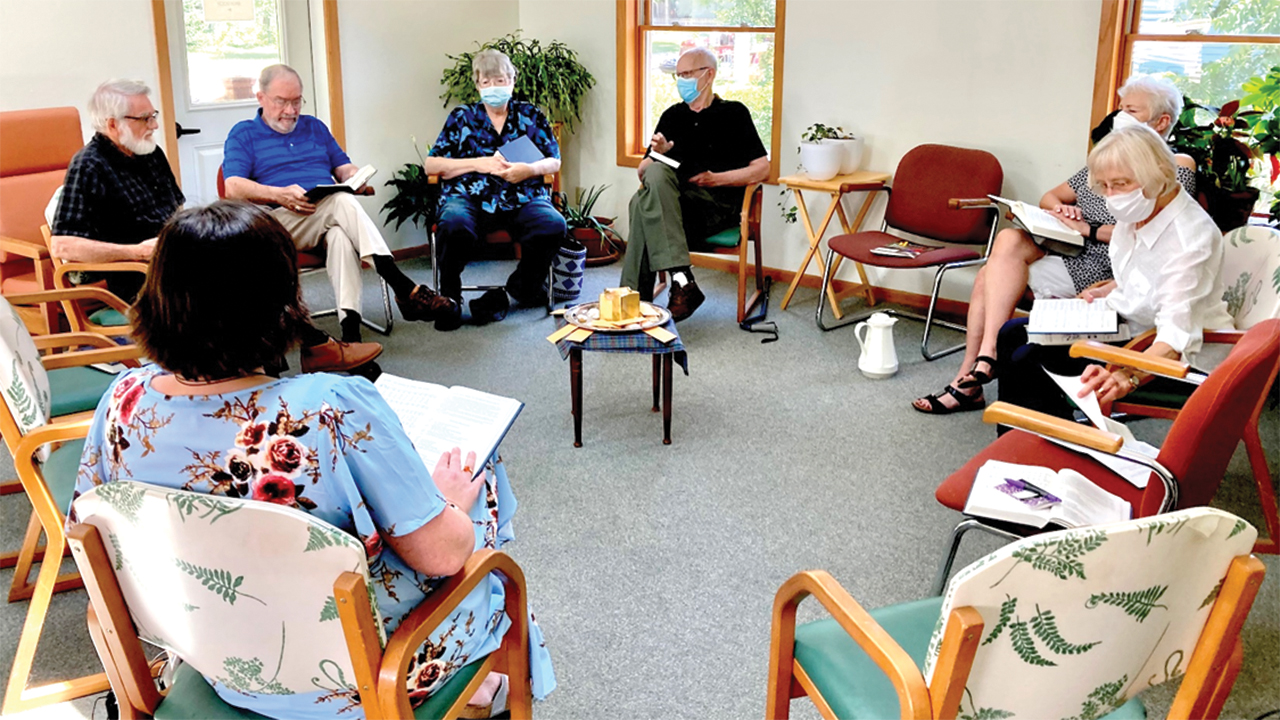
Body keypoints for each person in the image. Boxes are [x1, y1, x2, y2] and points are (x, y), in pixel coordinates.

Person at [70, 201, 555, 719]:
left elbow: (89, 523)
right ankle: (483, 681)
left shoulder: (122, 401)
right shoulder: (330, 406)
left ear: (158, 297)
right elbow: (442, 558)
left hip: (211, 651)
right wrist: (454, 505)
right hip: (360, 676)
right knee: (479, 484)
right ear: (281, 303)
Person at [51, 78, 380, 375]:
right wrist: (136, 251)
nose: (154, 125)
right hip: (141, 275)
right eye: (145, 119)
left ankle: (294, 353)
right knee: (243, 277)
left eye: (154, 116)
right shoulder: (89, 165)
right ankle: (312, 347)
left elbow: (177, 210)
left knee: (250, 254)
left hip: (177, 257)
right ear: (112, 124)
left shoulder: (149, 154)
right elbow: (63, 246)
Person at [912, 74, 1197, 414]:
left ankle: (970, 377)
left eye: (1130, 110)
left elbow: (1143, 233)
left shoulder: (1175, 166)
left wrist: (1086, 229)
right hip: (1070, 248)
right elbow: (1051, 196)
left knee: (989, 277)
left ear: (1161, 121)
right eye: (1119, 107)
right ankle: (986, 358)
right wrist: (1062, 211)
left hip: (1107, 265)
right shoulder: (1112, 157)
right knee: (1007, 240)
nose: (1119, 116)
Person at [995, 125, 1232, 422]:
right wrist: (1109, 290)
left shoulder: (1188, 238)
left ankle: (1046, 451)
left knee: (1031, 359)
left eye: (1120, 184)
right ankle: (1032, 442)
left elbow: (1176, 339)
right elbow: (1150, 275)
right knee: (1011, 334)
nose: (1111, 196)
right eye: (1104, 186)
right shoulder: (1142, 209)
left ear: (1158, 174)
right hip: (1132, 326)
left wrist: (1127, 375)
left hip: (1174, 355)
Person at [223, 64, 452, 343]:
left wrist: (356, 177)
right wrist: (279, 194)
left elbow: (342, 167)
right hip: (277, 226)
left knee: (341, 235)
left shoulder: (315, 127)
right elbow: (232, 187)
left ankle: (351, 334)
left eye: (297, 101)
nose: (291, 110)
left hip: (324, 216)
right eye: (282, 102)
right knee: (340, 202)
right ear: (261, 98)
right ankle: (403, 287)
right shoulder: (243, 133)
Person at [620, 47, 770, 321]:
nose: (681, 81)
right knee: (654, 178)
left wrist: (716, 179)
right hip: (677, 208)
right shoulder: (672, 116)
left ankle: (632, 300)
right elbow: (642, 172)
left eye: (687, 74)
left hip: (715, 208)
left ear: (708, 75)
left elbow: (763, 168)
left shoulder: (734, 113)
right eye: (678, 75)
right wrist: (659, 154)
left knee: (641, 205)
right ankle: (681, 279)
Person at [423, 49, 566, 330]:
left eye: (500, 80)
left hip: (521, 197)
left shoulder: (530, 114)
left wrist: (529, 170)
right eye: (486, 83)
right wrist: (481, 164)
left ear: (512, 80)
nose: (493, 88)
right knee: (452, 225)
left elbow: (554, 160)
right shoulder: (462, 117)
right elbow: (431, 165)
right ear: (477, 85)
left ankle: (520, 288)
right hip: (468, 197)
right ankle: (450, 297)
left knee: (553, 225)